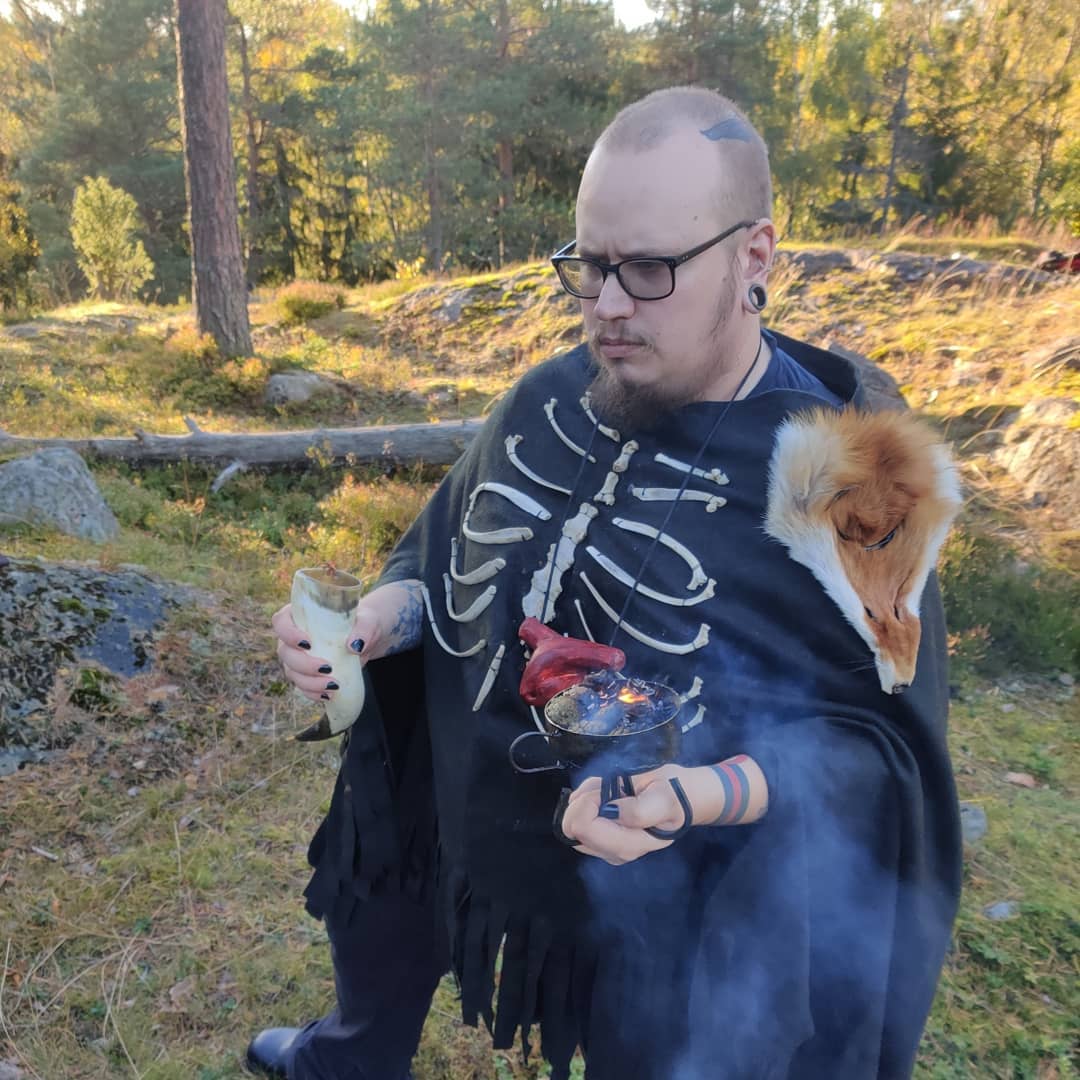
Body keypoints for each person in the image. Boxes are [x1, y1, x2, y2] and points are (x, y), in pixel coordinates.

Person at [248, 86, 961, 1080]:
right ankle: (348, 1058)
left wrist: (700, 792)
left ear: (754, 255)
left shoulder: (856, 479)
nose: (609, 307)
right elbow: (442, 558)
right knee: (388, 862)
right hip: (473, 791)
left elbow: (878, 756)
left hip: (674, 875)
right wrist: (366, 626)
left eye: (651, 269)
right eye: (589, 266)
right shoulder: (552, 393)